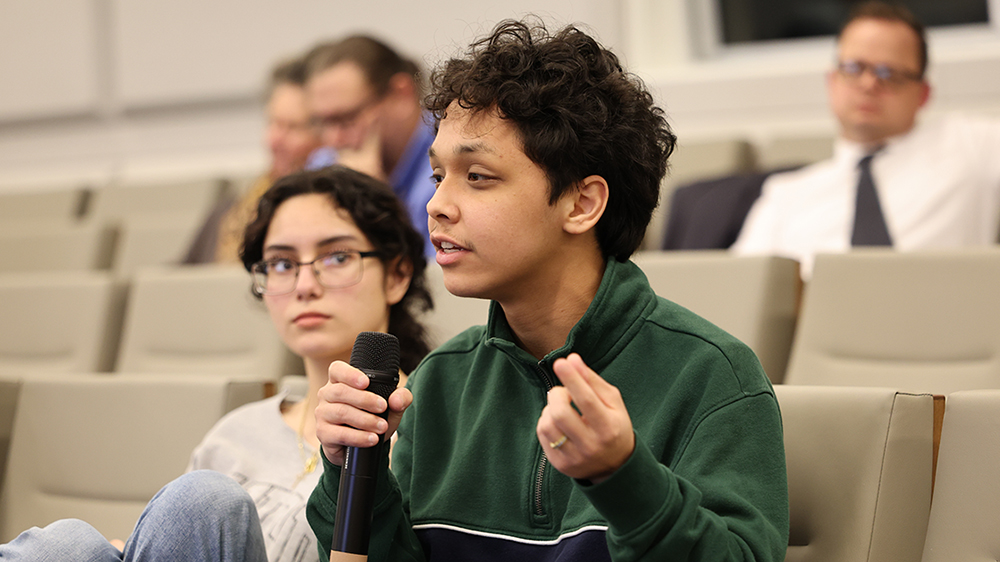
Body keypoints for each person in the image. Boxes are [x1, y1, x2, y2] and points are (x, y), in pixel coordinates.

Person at [308, 19, 789, 562]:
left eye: (478, 176)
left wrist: (624, 478)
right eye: (439, 176)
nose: (436, 205)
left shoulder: (710, 376)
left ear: (581, 204)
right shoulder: (440, 381)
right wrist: (352, 474)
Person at [0, 165, 433, 561]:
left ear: (396, 275)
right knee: (68, 545)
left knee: (205, 498)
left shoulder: (430, 427)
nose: (304, 285)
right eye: (282, 263)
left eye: (336, 257)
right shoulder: (237, 431)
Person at [731, 1, 1000, 278]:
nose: (869, 84)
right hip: (818, 304)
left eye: (889, 73)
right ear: (832, 81)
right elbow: (741, 291)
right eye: (854, 68)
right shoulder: (785, 195)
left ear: (923, 94)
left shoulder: (970, 143)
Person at [302, 35, 436, 257]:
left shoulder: (452, 161)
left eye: (347, 118)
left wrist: (372, 205)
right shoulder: (324, 162)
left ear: (401, 94)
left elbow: (436, 273)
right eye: (323, 122)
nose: (333, 139)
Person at [185, 54, 322, 264]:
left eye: (293, 127)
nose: (274, 140)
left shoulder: (327, 220)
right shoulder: (229, 210)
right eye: (272, 123)